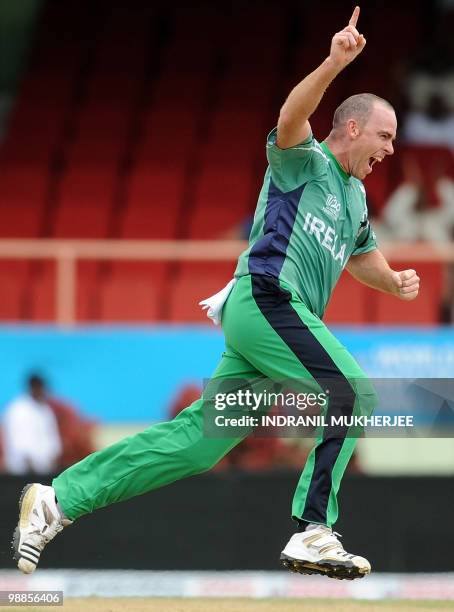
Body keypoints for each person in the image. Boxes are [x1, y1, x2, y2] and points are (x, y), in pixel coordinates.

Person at [12, 6, 419, 580]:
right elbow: (290, 114)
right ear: (351, 127)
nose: (392, 150)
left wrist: (395, 281)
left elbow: (364, 259)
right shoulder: (305, 160)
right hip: (267, 300)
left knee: (199, 443)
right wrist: (333, 62)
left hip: (265, 328)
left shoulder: (354, 200)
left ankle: (58, 500)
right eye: (385, 135)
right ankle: (313, 530)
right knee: (353, 394)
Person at [2, 375, 62, 475]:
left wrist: (53, 459)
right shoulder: (17, 409)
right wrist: (29, 463)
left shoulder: (46, 410)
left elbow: (52, 439)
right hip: (21, 471)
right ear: (32, 387)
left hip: (45, 471)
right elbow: (16, 439)